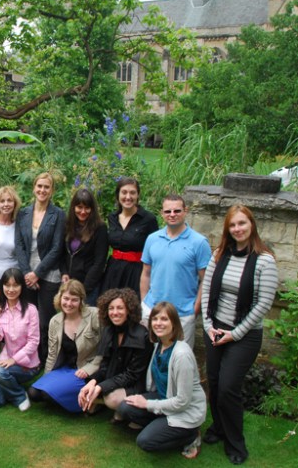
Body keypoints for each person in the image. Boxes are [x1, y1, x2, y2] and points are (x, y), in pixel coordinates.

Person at [201, 205, 278, 465]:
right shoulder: (219, 255)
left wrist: (235, 334)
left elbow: (264, 304)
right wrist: (208, 324)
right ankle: (218, 429)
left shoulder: (264, 260)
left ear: (252, 225)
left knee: (228, 387)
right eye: (233, 225)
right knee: (213, 381)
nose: (237, 229)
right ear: (228, 229)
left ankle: (236, 443)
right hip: (216, 328)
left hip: (244, 334)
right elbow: (207, 291)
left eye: (242, 223)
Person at [118, 302, 206, 459]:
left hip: (185, 410)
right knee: (125, 407)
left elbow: (183, 402)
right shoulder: (159, 345)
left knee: (145, 441)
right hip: (164, 398)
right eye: (155, 319)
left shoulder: (181, 355)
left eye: (164, 319)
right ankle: (161, 425)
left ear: (174, 323)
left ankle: (191, 435)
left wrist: (148, 404)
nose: (158, 323)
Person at [140, 194, 212, 348]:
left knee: (179, 359)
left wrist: (195, 308)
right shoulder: (152, 239)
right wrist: (144, 302)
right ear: (162, 213)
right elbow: (146, 273)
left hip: (182, 312)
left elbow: (206, 280)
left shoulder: (199, 243)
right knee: (150, 357)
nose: (172, 215)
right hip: (152, 310)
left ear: (185, 211)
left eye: (177, 211)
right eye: (168, 211)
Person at [78, 288, 153, 419]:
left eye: (120, 308)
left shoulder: (142, 335)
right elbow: (105, 365)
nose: (115, 312)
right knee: (85, 388)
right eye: (111, 308)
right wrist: (93, 382)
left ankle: (122, 410)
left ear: (129, 310)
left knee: (111, 399)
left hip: (134, 383)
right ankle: (105, 404)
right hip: (115, 378)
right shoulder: (109, 331)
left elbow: (132, 374)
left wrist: (100, 387)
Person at [28, 279, 101, 413]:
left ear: (81, 300)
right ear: (60, 298)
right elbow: (52, 353)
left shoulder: (94, 315)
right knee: (34, 393)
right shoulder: (55, 321)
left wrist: (91, 368)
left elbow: (106, 347)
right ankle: (76, 396)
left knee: (47, 394)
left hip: (85, 369)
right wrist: (47, 377)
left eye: (74, 299)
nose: (69, 303)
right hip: (66, 368)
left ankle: (89, 401)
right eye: (66, 298)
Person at [15, 172, 65, 363]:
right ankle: (29, 355)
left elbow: (57, 247)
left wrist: (37, 273)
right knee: (29, 318)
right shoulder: (23, 213)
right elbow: (19, 244)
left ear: (52, 191)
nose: (42, 190)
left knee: (46, 321)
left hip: (48, 274)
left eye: (47, 187)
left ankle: (46, 358)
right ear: (34, 188)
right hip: (27, 273)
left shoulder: (58, 214)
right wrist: (28, 273)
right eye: (39, 186)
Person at [0, 268, 40, 411]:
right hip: (5, 362)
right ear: (2, 286)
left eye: (15, 285)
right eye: (7, 285)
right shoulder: (0, 309)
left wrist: (14, 360)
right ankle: (14, 387)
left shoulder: (31, 310)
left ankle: (19, 396)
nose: (11, 289)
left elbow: (34, 342)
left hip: (27, 365)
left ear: (22, 287)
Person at [99, 177, 158, 298]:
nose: (128, 197)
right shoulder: (112, 218)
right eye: (124, 192)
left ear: (138, 195)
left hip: (136, 272)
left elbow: (155, 251)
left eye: (132, 192)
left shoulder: (148, 219)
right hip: (113, 270)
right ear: (118, 195)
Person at [61, 188, 108, 305]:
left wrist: (84, 288)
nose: (83, 211)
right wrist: (64, 273)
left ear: (92, 209)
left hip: (89, 287)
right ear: (73, 207)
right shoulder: (67, 225)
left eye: (87, 208)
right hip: (69, 285)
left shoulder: (100, 228)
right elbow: (62, 253)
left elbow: (99, 262)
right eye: (79, 207)